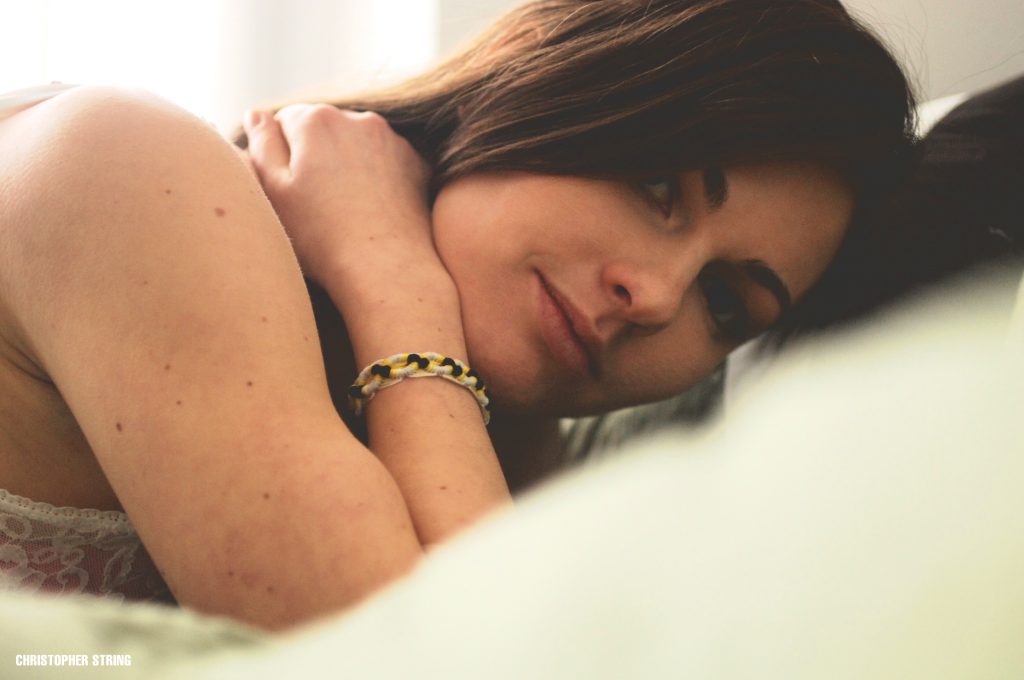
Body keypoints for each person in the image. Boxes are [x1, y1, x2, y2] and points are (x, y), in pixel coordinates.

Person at [0, 0, 914, 630]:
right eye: (656, 186)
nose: (661, 297)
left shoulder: (504, 459)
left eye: (725, 303)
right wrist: (391, 276)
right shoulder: (130, 166)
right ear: (547, 85)